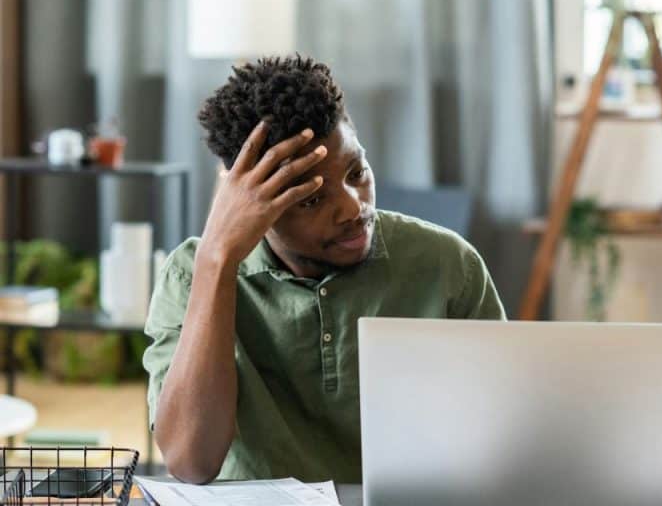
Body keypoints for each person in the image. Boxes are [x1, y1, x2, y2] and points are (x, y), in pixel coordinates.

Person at [144, 55, 505, 484]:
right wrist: (218, 261)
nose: (354, 207)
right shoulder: (190, 276)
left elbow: (503, 435)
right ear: (251, 203)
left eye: (357, 172)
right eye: (312, 199)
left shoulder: (448, 265)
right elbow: (190, 462)